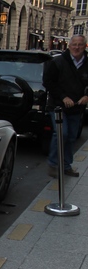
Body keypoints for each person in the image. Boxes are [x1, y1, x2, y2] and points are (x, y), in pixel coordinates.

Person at [43, 34, 88, 178]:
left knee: (71, 137)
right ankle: (53, 164)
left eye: (80, 44)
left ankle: (66, 165)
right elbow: (48, 82)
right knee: (62, 133)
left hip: (76, 107)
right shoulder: (58, 62)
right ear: (69, 46)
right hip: (58, 106)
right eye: (74, 44)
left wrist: (87, 96)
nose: (77, 47)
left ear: (84, 46)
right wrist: (63, 97)